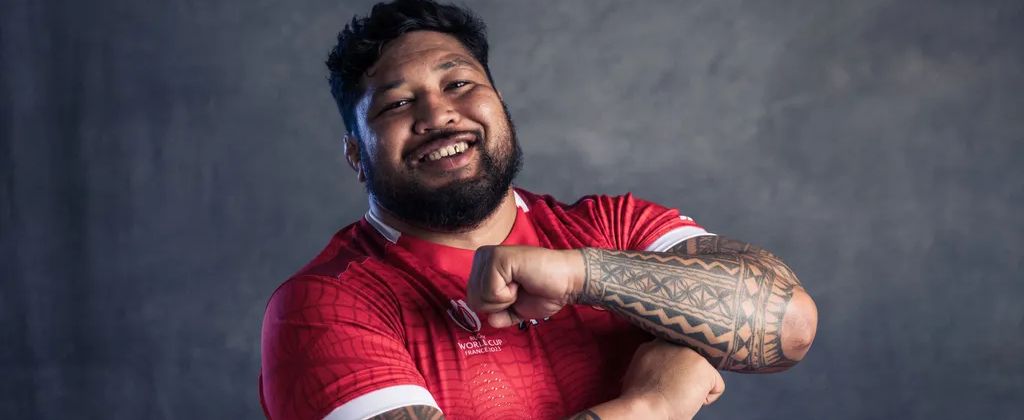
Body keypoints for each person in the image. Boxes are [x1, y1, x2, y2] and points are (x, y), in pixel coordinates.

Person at [259, 1, 818, 419]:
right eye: (398, 103)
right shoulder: (324, 307)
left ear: (499, 105)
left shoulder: (610, 227)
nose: (438, 115)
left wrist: (582, 274)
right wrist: (652, 406)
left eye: (459, 83)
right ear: (356, 155)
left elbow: (789, 325)